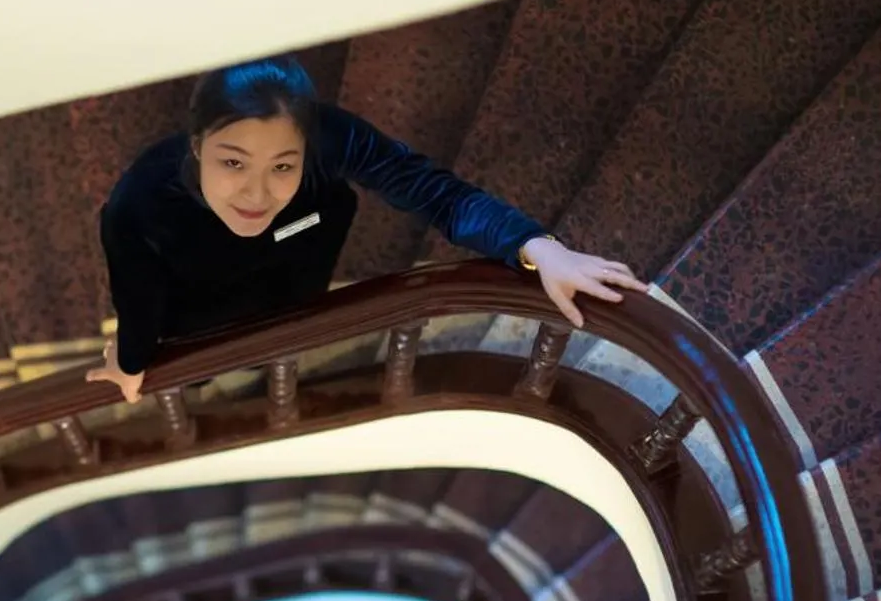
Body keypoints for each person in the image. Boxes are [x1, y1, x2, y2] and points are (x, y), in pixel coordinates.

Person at [87, 56, 648, 403]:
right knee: (192, 349)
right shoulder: (138, 207)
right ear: (196, 147)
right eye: (232, 163)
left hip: (302, 236)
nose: (257, 195)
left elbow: (436, 194)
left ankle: (283, 333)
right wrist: (134, 363)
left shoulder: (328, 138)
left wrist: (537, 249)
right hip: (196, 282)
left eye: (284, 165)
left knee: (295, 303)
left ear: (307, 146)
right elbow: (139, 303)